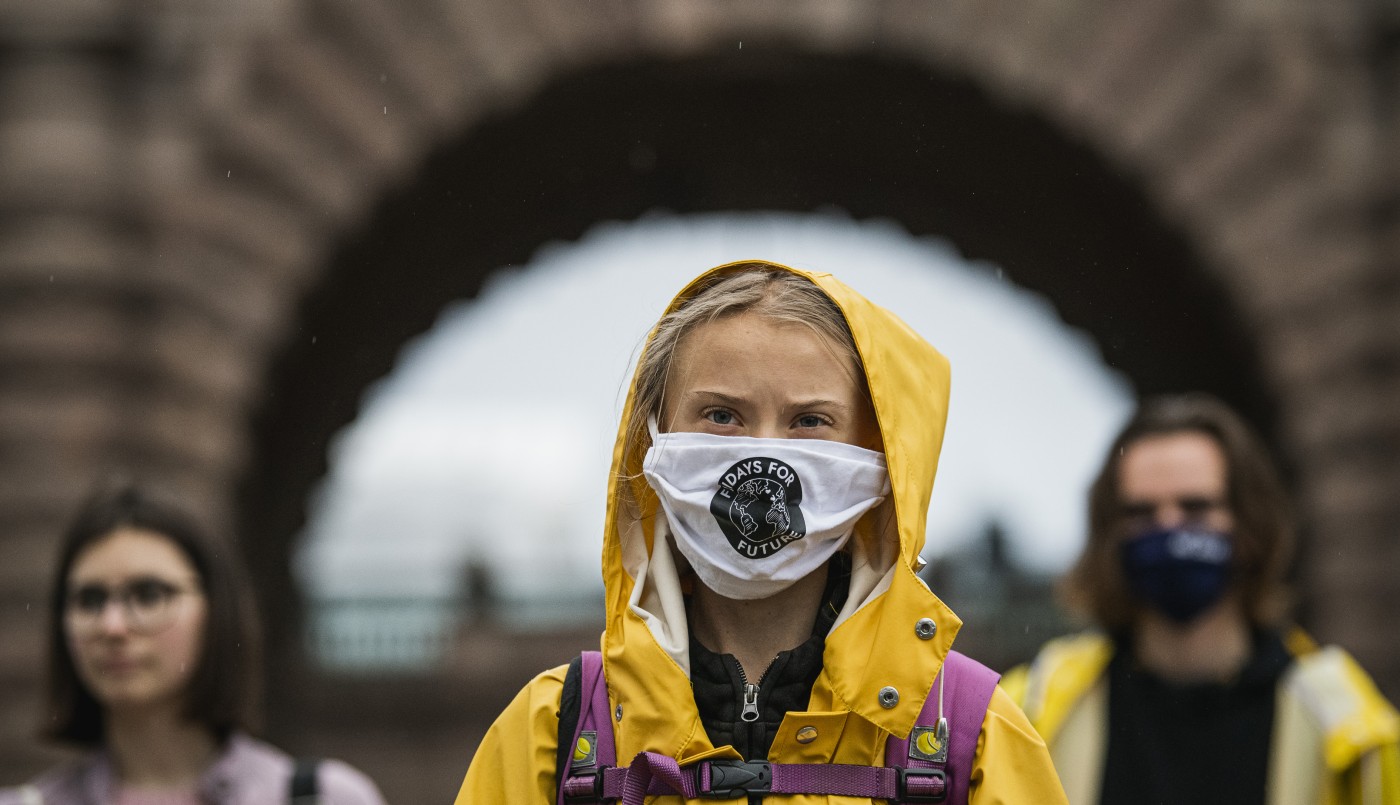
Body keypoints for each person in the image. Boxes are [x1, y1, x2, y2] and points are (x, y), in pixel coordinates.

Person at [458, 260, 1068, 802]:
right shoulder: (552, 735)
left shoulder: (970, 736)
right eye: (721, 415)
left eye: (809, 420)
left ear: (882, 459)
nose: (763, 455)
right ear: (654, 442)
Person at [1002, 393, 1400, 805]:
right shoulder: (1034, 711)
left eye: (1195, 507)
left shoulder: (1349, 728)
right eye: (1141, 512)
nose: (1170, 528)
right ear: (1110, 533)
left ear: (1248, 523)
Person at [1, 482, 387, 804]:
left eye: (149, 595)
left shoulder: (321, 798)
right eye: (90, 600)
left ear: (217, 612)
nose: (112, 626)